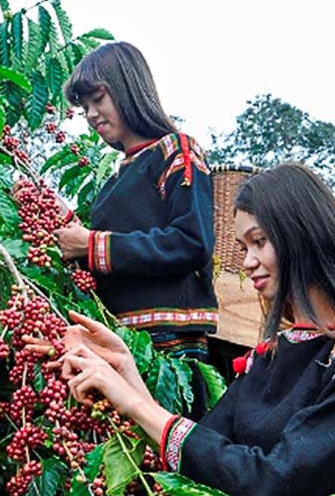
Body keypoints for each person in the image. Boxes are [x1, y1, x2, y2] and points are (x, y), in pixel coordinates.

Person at [49, 164, 335, 496]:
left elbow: (273, 486)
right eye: (244, 246)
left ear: (304, 235)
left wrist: (131, 400)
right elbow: (209, 456)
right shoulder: (275, 352)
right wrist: (125, 370)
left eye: (259, 242)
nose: (247, 261)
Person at [55, 42, 218, 415]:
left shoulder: (177, 151)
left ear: (128, 88)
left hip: (169, 349)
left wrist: (92, 245)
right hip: (118, 342)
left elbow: (192, 242)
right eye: (84, 109)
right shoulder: (115, 179)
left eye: (98, 99)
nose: (92, 114)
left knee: (168, 452)